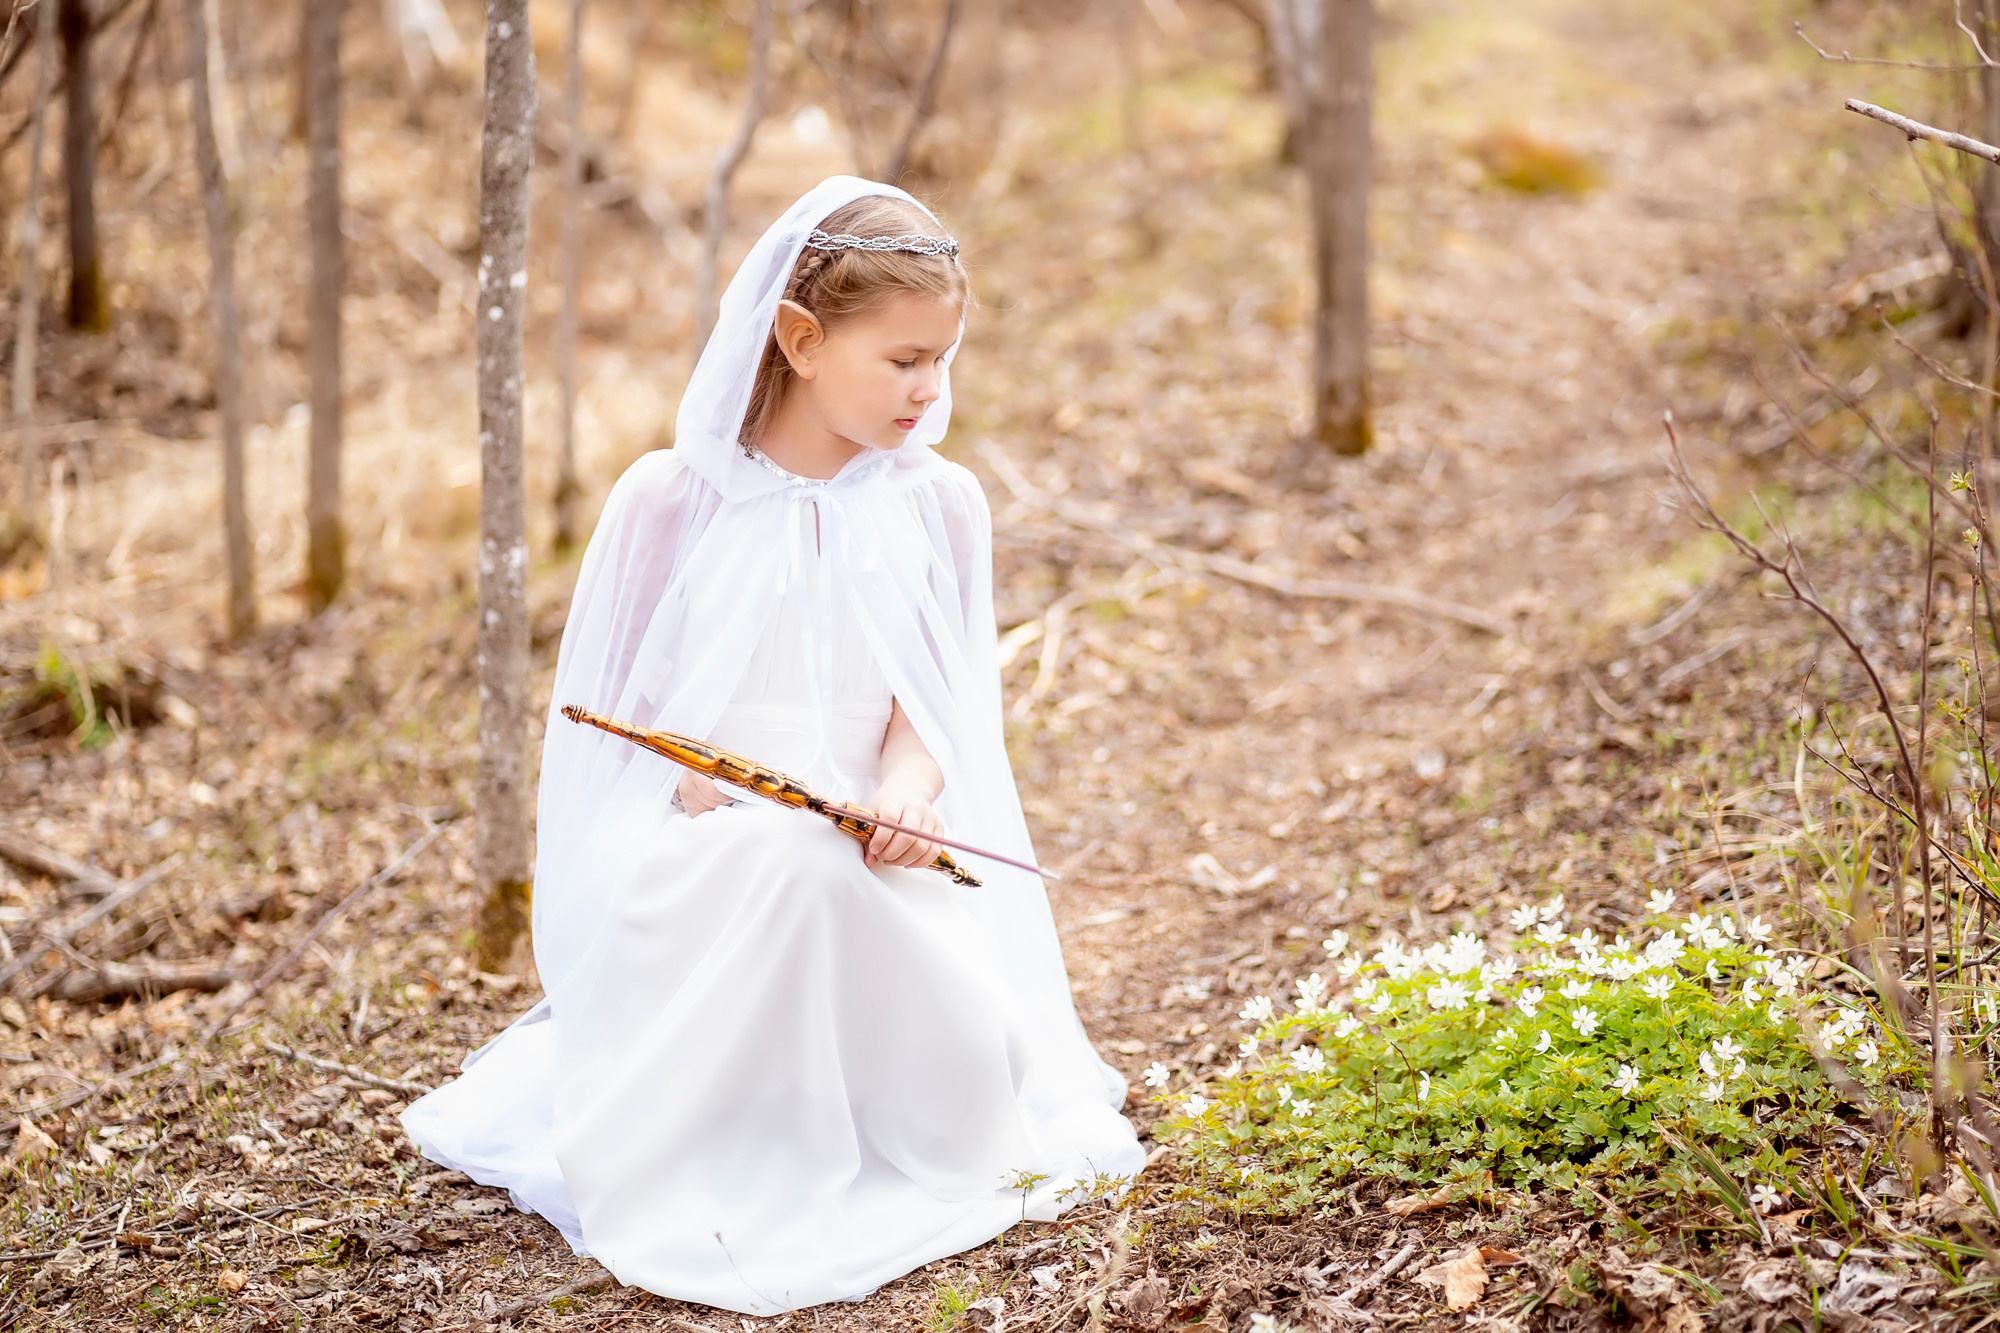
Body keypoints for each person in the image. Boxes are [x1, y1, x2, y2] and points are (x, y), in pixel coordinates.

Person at [400, 176, 1145, 1315]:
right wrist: (697, 779)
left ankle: (901, 1111)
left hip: (874, 848)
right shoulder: (669, 500)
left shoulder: (936, 504)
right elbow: (618, 720)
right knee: (782, 863)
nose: (929, 388)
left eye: (942, 359)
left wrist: (904, 788)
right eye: (901, 359)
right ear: (799, 337)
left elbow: (934, 706)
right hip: (703, 852)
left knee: (956, 1054)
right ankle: (737, 1154)